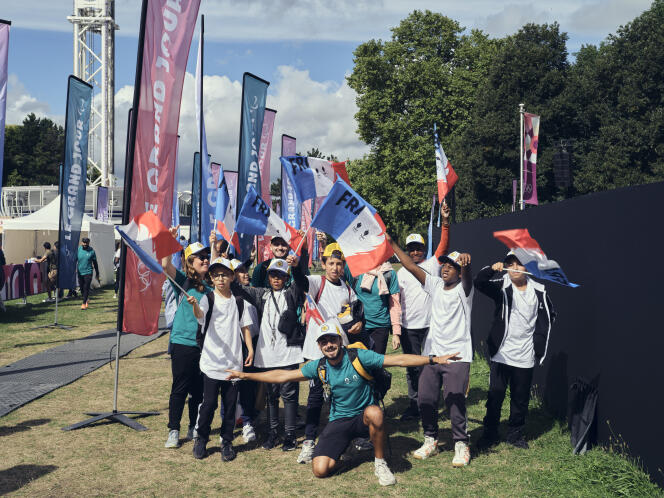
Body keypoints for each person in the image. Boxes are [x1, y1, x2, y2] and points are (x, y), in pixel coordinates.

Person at [227, 320, 462, 486]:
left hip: (364, 418)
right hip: (338, 420)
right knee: (320, 470)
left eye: (332, 340)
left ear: (340, 340)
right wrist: (246, 375)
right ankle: (350, 451)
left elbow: (398, 360)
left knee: (375, 413)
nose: (329, 345)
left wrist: (433, 359)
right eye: (324, 342)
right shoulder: (318, 366)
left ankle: (380, 463)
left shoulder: (357, 356)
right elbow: (282, 375)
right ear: (319, 346)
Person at [389, 234, 473, 467]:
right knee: (425, 398)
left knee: (454, 400)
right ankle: (430, 439)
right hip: (433, 354)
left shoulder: (465, 291)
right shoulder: (435, 284)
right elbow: (408, 264)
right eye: (444, 264)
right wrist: (391, 242)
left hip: (457, 356)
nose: (446, 268)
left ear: (459, 271)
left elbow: (467, 277)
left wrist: (467, 265)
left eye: (452, 266)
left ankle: (461, 444)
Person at [474, 253, 556, 450]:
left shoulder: (539, 291)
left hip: (525, 355)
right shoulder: (502, 287)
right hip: (502, 353)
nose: (514, 267)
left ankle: (515, 434)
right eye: (510, 264)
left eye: (519, 264)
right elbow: (479, 283)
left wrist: (538, 340)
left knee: (520, 398)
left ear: (526, 267)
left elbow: (550, 315)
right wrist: (490, 269)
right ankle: (490, 433)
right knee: (495, 396)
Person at [295, 243, 360, 464]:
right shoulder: (317, 281)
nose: (335, 267)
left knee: (340, 395)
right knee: (314, 397)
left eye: (339, 264)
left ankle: (345, 437)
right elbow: (301, 282)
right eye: (331, 263)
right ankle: (309, 441)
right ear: (323, 264)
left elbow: (356, 313)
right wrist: (295, 268)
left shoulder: (347, 288)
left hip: (340, 352)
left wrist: (359, 324)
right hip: (316, 351)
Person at [231, 257, 306, 451]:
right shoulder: (261, 295)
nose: (276, 278)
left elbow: (301, 283)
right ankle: (273, 433)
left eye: (281, 275)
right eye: (273, 274)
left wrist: (297, 268)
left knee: (289, 394)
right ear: (268, 276)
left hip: (288, 351)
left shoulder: (291, 293)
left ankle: (289, 434)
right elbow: (240, 290)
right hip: (268, 353)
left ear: (286, 277)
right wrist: (229, 272)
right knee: (271, 395)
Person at [190, 257, 254, 462]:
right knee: (208, 404)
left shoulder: (239, 301)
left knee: (229, 405)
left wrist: (250, 349)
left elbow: (245, 327)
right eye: (216, 275)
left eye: (224, 275)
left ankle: (226, 441)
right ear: (211, 277)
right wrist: (194, 306)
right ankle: (201, 438)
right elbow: (200, 315)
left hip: (233, 364)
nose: (220, 279)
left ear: (232, 277)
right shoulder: (207, 299)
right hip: (211, 362)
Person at [396, 201, 451, 421]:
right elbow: (395, 304)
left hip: (431, 326)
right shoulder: (399, 274)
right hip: (409, 328)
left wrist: (445, 222)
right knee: (412, 368)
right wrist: (397, 330)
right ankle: (414, 404)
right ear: (406, 251)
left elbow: (444, 245)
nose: (416, 252)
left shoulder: (432, 265)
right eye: (411, 249)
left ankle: (431, 403)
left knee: (432, 366)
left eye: (419, 248)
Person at [160, 239, 212, 449]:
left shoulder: (210, 287)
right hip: (182, 342)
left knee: (198, 391)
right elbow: (165, 265)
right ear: (191, 262)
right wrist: (170, 241)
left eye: (207, 256)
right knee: (179, 388)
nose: (206, 259)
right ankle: (174, 430)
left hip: (203, 344)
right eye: (201, 257)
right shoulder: (183, 281)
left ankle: (194, 426)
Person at [76, 237, 99, 310]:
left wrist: (97, 273)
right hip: (80, 271)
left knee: (86, 287)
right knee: (81, 287)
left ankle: (83, 303)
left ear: (88, 243)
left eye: (86, 243)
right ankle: (86, 298)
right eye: (84, 242)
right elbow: (75, 260)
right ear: (82, 242)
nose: (85, 244)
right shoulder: (79, 249)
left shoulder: (92, 251)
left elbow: (95, 263)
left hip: (88, 272)